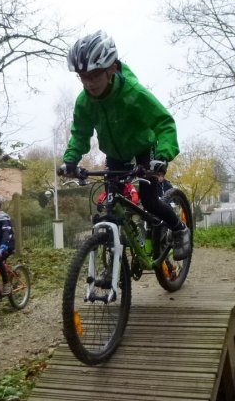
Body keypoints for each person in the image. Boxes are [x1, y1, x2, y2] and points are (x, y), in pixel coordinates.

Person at [58, 30, 192, 260]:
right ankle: (122, 253)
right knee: (111, 204)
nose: (89, 83)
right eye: (82, 76)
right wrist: (71, 159)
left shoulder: (133, 93)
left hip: (143, 149)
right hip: (115, 154)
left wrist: (163, 155)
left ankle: (179, 230)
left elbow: (164, 123)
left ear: (111, 68)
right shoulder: (84, 102)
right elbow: (80, 132)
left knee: (149, 200)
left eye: (95, 74)